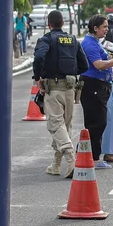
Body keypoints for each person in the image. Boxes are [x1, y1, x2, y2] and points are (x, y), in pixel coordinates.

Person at [32, 10, 90, 178]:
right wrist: (70, 72)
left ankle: (72, 158)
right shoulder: (72, 40)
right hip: (71, 89)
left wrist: (39, 77)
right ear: (63, 23)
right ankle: (56, 165)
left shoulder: (47, 39)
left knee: (56, 125)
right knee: (65, 126)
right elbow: (84, 65)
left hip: (54, 88)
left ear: (49, 24)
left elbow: (38, 57)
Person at [80, 14, 113, 168]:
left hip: (101, 85)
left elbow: (101, 66)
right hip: (94, 87)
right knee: (97, 123)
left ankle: (86, 156)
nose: (107, 30)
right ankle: (92, 159)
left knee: (97, 123)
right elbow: (99, 65)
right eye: (104, 27)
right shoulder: (90, 44)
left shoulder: (96, 42)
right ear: (95, 28)